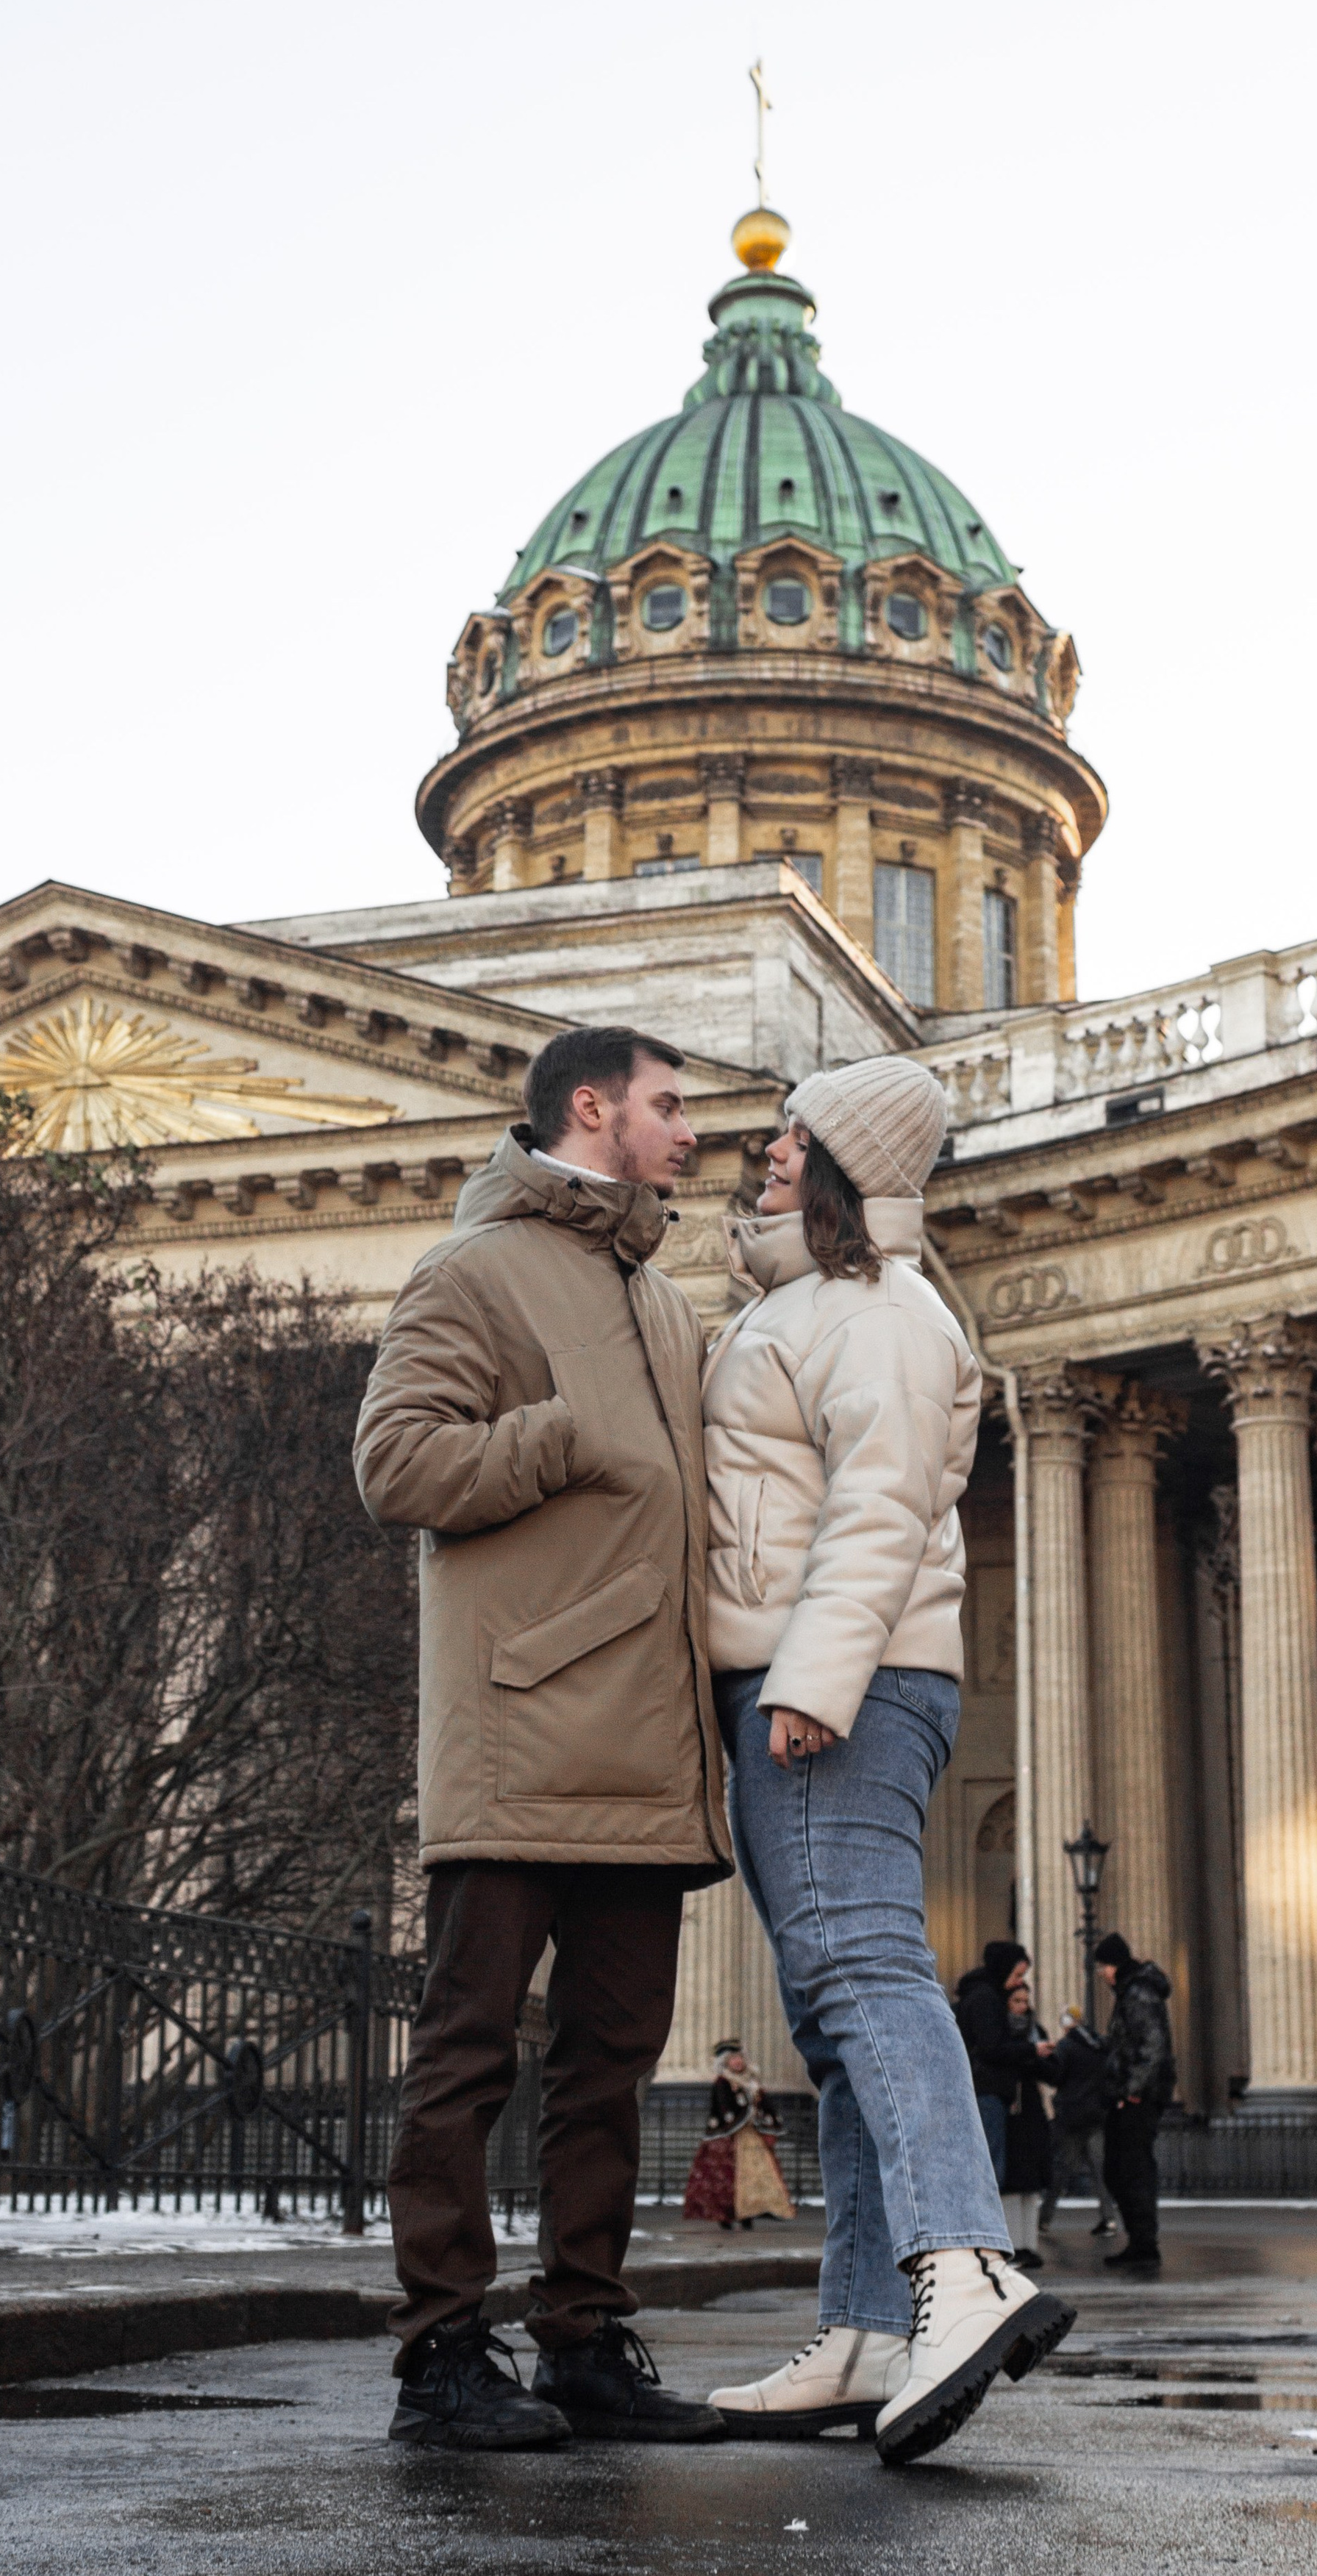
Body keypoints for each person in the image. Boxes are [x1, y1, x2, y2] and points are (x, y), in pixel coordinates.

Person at [353, 1027, 729, 2452]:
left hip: (645, 1745)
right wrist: (552, 1440)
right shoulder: (471, 1271)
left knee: (609, 2065)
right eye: (667, 1105)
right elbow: (393, 1463)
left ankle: (583, 2336)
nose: (686, 1131)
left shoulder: (667, 1307)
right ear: (592, 1108)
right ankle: (440, 2353)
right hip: (518, 1731)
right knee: (465, 2054)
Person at [699, 1058, 1074, 2466]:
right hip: (813, 1675)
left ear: (849, 1165)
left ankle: (962, 2270)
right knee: (835, 2014)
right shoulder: (806, 1303)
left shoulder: (880, 1309)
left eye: (799, 1136)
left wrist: (810, 1681)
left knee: (863, 1969)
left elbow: (877, 1506)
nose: (771, 1149)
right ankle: (862, 2325)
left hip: (839, 1682)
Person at [954, 1939, 1054, 2224]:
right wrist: (1031, 2050)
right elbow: (992, 2047)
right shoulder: (986, 1999)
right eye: (1018, 1975)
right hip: (987, 2089)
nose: (1018, 1983)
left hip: (983, 2088)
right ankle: (986, 2235)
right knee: (990, 2169)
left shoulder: (978, 1995)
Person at [1093, 1930, 1175, 2274]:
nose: (1101, 1974)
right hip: (1130, 2095)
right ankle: (1139, 2241)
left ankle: (1144, 2244)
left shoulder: (1138, 1994)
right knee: (1120, 2169)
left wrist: (1132, 2090)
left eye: (1102, 1967)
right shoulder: (1133, 1991)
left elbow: (1152, 2047)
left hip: (1137, 2098)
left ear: (1112, 1965)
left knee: (1131, 2170)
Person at [682, 2039, 797, 2230]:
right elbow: (724, 2106)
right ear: (726, 2063)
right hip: (730, 2136)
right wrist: (743, 2113)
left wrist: (766, 2117)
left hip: (751, 2134)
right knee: (727, 2175)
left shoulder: (751, 2081)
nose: (737, 2062)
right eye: (733, 2060)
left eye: (739, 2058)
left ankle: (749, 2213)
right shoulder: (723, 2082)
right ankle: (727, 2215)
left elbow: (764, 2103)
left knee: (756, 2173)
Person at [1038, 2007, 1120, 2244]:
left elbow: (1056, 2076)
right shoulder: (1099, 2045)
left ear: (1068, 2023)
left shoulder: (1066, 2047)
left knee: (1062, 2169)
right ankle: (1109, 2218)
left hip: (1072, 2116)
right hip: (1096, 2115)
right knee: (1100, 2170)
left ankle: (1044, 2219)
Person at [1000, 1980, 1055, 2268]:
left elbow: (1052, 2070)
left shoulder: (1036, 2032)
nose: (1023, 2006)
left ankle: (1028, 2245)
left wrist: (1034, 2057)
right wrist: (1028, 2053)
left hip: (1030, 2108)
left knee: (1031, 2181)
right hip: (1008, 2107)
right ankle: (1013, 2245)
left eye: (1025, 2001)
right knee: (1012, 2180)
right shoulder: (1000, 2030)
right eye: (1017, 2001)